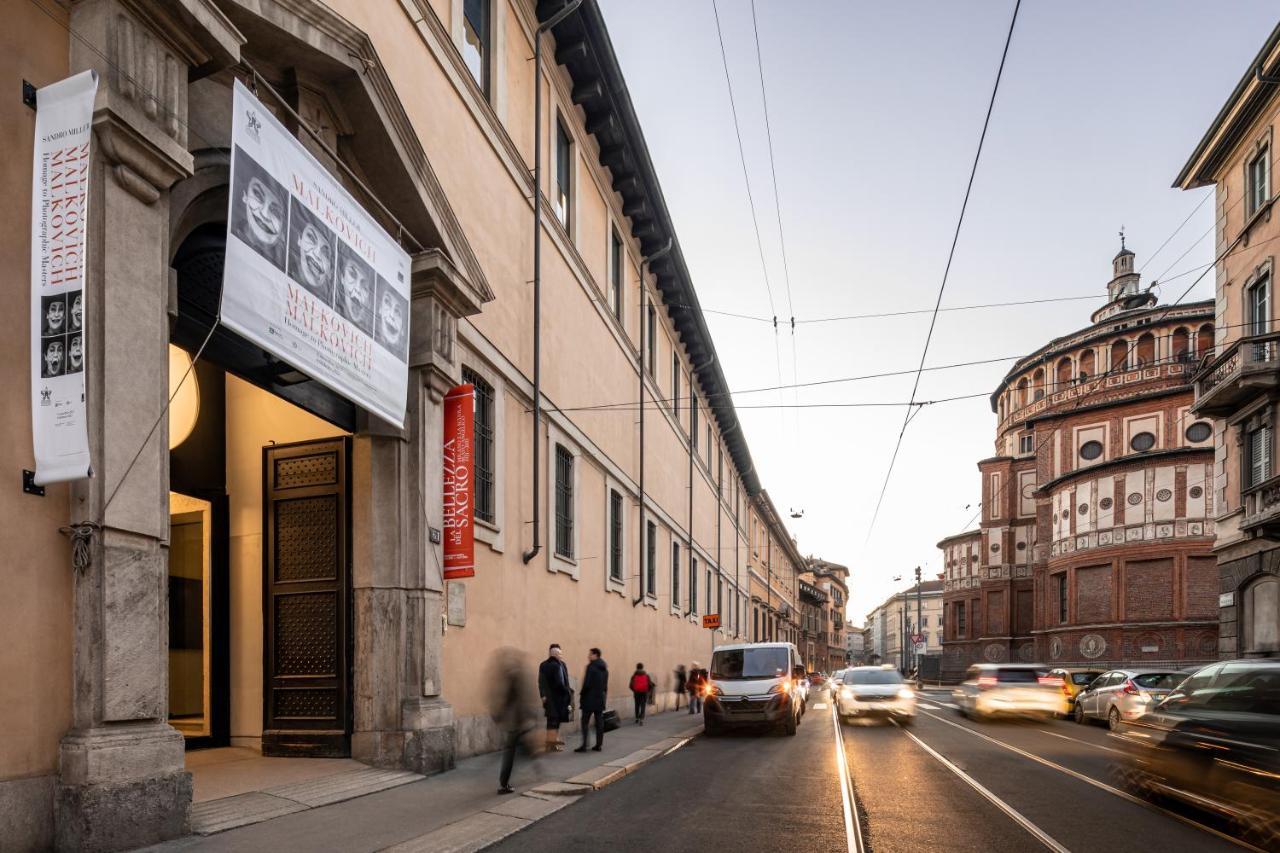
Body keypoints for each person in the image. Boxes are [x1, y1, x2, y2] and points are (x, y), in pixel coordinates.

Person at [488, 647, 538, 795]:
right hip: (518, 720)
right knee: (513, 751)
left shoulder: (512, 675)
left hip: (517, 720)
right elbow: (516, 699)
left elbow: (509, 699)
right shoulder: (517, 675)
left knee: (515, 749)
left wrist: (499, 714)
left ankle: (506, 782)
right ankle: (505, 784)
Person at [537, 643, 571, 751]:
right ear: (553, 653)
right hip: (550, 698)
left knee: (558, 720)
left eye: (561, 654)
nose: (561, 656)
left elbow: (566, 681)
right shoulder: (544, 665)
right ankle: (550, 744)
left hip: (561, 698)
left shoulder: (563, 664)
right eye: (559, 654)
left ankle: (553, 742)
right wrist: (542, 695)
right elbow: (541, 682)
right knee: (551, 721)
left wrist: (568, 694)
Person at [575, 648, 608, 753]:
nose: (588, 656)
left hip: (589, 699)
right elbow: (605, 687)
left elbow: (587, 684)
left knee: (585, 722)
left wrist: (582, 694)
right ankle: (599, 745)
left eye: (590, 654)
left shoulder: (591, 667)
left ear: (595, 655)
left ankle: (584, 745)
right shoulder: (605, 669)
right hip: (600, 699)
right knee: (599, 722)